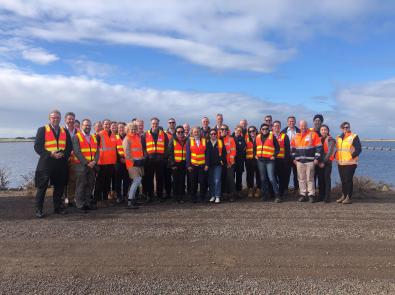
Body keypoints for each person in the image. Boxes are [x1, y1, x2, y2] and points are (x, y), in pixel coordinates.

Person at [33, 110, 72, 218]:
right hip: (46, 163)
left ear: (60, 119)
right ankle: (39, 210)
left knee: (59, 187)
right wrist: (51, 154)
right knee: (42, 187)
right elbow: (37, 147)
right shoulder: (42, 130)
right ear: (49, 118)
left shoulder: (65, 131)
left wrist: (64, 154)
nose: (56, 119)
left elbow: (69, 146)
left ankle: (57, 208)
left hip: (61, 163)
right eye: (53, 117)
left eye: (58, 117)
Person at [291, 120, 322, 203]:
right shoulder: (296, 136)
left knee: (310, 179)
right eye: (301, 126)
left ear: (307, 126)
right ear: (299, 126)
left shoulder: (313, 134)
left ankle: (311, 195)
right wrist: (294, 158)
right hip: (299, 161)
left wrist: (316, 158)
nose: (303, 127)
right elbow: (292, 149)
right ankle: (303, 194)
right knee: (301, 179)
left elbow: (319, 148)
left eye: (304, 126)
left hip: (310, 161)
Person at [72, 119, 99, 212]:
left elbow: (97, 151)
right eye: (85, 125)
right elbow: (77, 152)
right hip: (81, 165)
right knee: (81, 185)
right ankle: (80, 205)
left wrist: (94, 161)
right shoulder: (77, 137)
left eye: (89, 125)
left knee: (90, 184)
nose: (87, 127)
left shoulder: (93, 137)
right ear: (82, 126)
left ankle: (87, 203)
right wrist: (87, 162)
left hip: (92, 165)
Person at [142, 117, 169, 202]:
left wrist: (164, 157)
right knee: (149, 179)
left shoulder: (163, 134)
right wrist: (146, 156)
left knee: (159, 179)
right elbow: (143, 147)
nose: (155, 125)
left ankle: (159, 195)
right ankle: (150, 196)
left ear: (158, 124)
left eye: (156, 124)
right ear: (151, 124)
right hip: (149, 161)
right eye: (153, 124)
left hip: (160, 161)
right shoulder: (145, 134)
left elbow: (167, 147)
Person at [335, 122, 362, 204]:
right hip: (341, 163)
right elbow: (337, 149)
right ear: (341, 128)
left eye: (347, 127)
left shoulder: (354, 136)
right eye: (344, 127)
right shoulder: (338, 137)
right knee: (343, 180)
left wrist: (352, 156)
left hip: (351, 163)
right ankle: (343, 195)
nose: (345, 128)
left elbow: (358, 149)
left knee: (348, 180)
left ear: (349, 127)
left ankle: (348, 197)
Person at [94, 119, 117, 208]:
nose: (107, 126)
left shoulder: (113, 135)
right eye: (105, 124)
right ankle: (97, 200)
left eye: (109, 124)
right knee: (99, 183)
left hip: (111, 163)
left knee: (107, 183)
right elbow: (95, 150)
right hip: (101, 164)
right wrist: (95, 163)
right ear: (103, 125)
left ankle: (105, 200)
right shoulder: (99, 135)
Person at [255, 123, 280, 202]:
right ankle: (264, 195)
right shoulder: (258, 137)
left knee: (272, 178)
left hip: (269, 161)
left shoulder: (272, 136)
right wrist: (254, 155)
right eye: (263, 129)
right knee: (263, 179)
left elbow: (277, 148)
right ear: (261, 130)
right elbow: (254, 147)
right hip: (260, 161)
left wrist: (274, 155)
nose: (265, 130)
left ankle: (277, 195)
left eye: (266, 129)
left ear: (269, 129)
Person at [123, 122, 145, 209]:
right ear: (128, 129)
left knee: (137, 181)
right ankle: (130, 200)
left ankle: (133, 199)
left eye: (135, 129)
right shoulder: (127, 139)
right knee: (137, 180)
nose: (133, 130)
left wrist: (142, 159)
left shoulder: (137, 137)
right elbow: (127, 153)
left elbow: (139, 150)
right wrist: (134, 161)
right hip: (132, 164)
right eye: (131, 129)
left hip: (139, 162)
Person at [186, 126, 207, 203]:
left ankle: (202, 197)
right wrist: (188, 165)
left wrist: (207, 164)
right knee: (193, 182)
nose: (196, 133)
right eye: (195, 132)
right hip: (193, 165)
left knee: (202, 182)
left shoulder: (204, 141)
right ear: (192, 133)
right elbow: (188, 154)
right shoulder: (189, 141)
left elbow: (207, 154)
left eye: (198, 131)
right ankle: (193, 197)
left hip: (202, 165)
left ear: (200, 132)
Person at [205, 129, 226, 203]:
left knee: (217, 180)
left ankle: (217, 196)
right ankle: (212, 195)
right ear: (210, 135)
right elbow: (206, 155)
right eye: (212, 134)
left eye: (214, 134)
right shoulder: (207, 143)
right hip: (210, 165)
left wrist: (222, 161)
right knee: (211, 181)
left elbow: (224, 153)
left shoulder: (220, 142)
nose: (213, 135)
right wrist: (206, 164)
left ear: (217, 134)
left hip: (218, 165)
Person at [168, 125, 187, 203]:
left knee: (182, 180)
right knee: (175, 180)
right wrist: (172, 164)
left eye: (182, 132)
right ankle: (176, 196)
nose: (180, 133)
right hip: (175, 164)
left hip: (183, 163)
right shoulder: (172, 140)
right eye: (178, 132)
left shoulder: (187, 140)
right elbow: (170, 153)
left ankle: (181, 196)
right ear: (176, 132)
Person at [272, 120, 290, 201]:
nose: (276, 127)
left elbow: (287, 149)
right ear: (272, 127)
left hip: (282, 160)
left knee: (281, 177)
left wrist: (286, 160)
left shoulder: (284, 136)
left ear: (280, 127)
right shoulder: (269, 136)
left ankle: (281, 192)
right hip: (272, 160)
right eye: (275, 126)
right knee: (273, 177)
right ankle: (273, 192)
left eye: (278, 126)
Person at [63, 111, 78, 208]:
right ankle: (62, 199)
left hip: (74, 160)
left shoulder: (78, 131)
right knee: (62, 180)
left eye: (72, 119)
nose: (71, 121)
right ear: (65, 120)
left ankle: (71, 199)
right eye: (69, 119)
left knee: (72, 180)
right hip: (63, 159)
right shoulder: (61, 130)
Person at [318, 124, 335, 203]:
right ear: (320, 131)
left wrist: (323, 162)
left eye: (325, 130)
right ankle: (321, 196)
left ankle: (327, 197)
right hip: (319, 162)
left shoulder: (330, 139)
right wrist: (318, 161)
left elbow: (330, 152)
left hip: (327, 162)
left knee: (326, 179)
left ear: (328, 131)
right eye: (322, 130)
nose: (323, 131)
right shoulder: (319, 139)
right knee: (320, 180)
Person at [282, 116, 300, 193]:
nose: (291, 122)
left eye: (293, 121)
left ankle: (297, 188)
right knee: (286, 173)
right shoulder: (283, 131)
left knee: (297, 173)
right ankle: (285, 188)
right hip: (287, 155)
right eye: (290, 121)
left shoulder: (299, 131)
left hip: (297, 155)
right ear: (287, 122)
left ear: (295, 122)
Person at [220, 124, 237, 202]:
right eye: (222, 129)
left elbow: (233, 151)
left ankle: (232, 195)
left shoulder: (231, 139)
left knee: (230, 179)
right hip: (220, 163)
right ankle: (223, 194)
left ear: (227, 131)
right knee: (222, 179)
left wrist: (230, 162)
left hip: (229, 163)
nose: (223, 131)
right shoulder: (217, 139)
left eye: (225, 129)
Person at [115, 122, 130, 204]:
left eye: (122, 127)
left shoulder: (128, 137)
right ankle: (118, 196)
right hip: (118, 162)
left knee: (126, 180)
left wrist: (126, 159)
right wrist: (120, 158)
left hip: (127, 162)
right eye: (119, 127)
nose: (121, 129)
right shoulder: (114, 137)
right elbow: (113, 150)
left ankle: (125, 195)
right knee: (118, 180)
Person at [245, 126, 261, 198]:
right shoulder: (246, 138)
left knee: (258, 174)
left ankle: (258, 189)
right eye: (250, 131)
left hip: (258, 159)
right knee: (249, 175)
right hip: (249, 159)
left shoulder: (259, 138)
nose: (252, 132)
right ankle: (250, 189)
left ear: (256, 131)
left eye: (253, 131)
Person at [164, 118, 176, 199]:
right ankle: (168, 193)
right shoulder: (164, 133)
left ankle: (176, 193)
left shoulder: (178, 132)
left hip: (176, 158)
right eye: (170, 122)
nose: (171, 124)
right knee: (167, 177)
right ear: (168, 124)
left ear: (175, 123)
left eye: (173, 122)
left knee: (175, 177)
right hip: (167, 159)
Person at [233, 125, 246, 196]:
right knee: (232, 177)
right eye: (237, 130)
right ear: (235, 130)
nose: (239, 132)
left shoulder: (243, 139)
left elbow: (243, 149)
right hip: (232, 161)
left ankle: (239, 191)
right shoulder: (231, 138)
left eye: (240, 131)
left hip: (240, 161)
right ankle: (232, 191)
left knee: (239, 177)